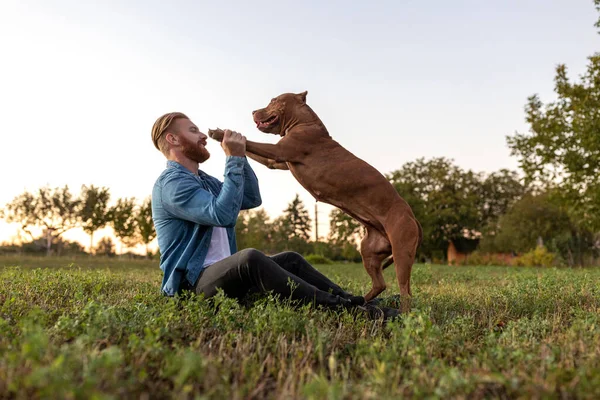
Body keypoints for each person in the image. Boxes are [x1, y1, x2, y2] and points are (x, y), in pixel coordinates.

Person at [150, 112, 398, 319]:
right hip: (191, 289)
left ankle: (355, 302)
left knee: (290, 259)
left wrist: (242, 153)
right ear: (172, 138)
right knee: (249, 259)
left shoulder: (205, 182)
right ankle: (348, 313)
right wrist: (233, 158)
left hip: (220, 280)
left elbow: (250, 198)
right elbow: (223, 214)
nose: (203, 135)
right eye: (193, 131)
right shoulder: (172, 184)